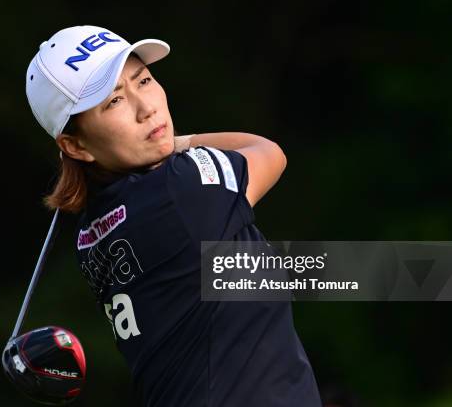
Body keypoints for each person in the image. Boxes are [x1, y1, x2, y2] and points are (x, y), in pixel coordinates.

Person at [26, 25, 321, 406]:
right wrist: (180, 143)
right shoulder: (182, 189)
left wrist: (165, 145)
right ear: (75, 145)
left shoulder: (90, 232)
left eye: (143, 80)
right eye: (113, 102)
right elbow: (268, 151)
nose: (146, 107)